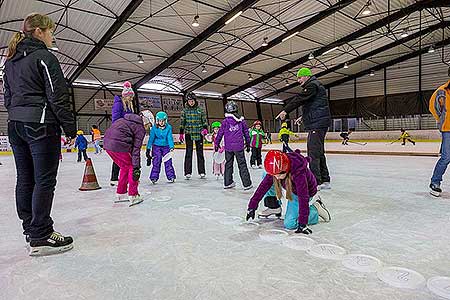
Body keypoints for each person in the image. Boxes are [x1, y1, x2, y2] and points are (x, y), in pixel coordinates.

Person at [3, 13, 76, 256]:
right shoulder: (45, 57)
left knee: (25, 179)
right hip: (40, 126)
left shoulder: (10, 61)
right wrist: (69, 128)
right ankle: (41, 233)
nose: (52, 36)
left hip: (15, 125)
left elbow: (8, 97)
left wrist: (17, 114)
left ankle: (31, 228)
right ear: (39, 32)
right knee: (44, 180)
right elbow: (57, 95)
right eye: (51, 31)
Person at [246, 150, 331, 233]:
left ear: (285, 168)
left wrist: (303, 223)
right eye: (274, 175)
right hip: (290, 186)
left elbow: (303, 198)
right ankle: (274, 207)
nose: (277, 177)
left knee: (290, 224)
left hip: (303, 193)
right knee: (266, 175)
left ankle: (315, 209)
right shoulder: (278, 171)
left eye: (279, 174)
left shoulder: (299, 174)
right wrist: (252, 207)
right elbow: (262, 188)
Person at [276, 67, 331, 190]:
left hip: (317, 124)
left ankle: (316, 181)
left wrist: (285, 110)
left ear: (306, 76)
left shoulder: (312, 86)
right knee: (319, 152)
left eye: (300, 77)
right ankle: (325, 180)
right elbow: (315, 105)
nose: (299, 80)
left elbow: (300, 99)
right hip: (319, 122)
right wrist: (303, 116)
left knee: (313, 153)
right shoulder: (316, 86)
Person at [103, 112, 148, 206]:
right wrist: (136, 167)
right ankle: (133, 194)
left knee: (124, 167)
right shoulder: (140, 128)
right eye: (149, 125)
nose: (147, 128)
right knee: (132, 167)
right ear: (146, 122)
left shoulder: (125, 119)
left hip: (107, 144)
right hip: (119, 146)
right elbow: (136, 149)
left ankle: (121, 193)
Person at [214, 101, 252, 190]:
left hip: (229, 148)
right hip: (239, 147)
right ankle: (247, 184)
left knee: (228, 164)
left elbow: (220, 133)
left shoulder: (225, 121)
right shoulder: (241, 121)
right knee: (242, 164)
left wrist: (216, 144)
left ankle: (228, 182)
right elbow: (246, 133)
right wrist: (248, 144)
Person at [429, 70, 450, 197]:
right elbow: (433, 107)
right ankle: (435, 183)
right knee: (446, 157)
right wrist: (441, 119)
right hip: (448, 128)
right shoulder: (442, 91)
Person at [110, 81, 135, 186]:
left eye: (131, 97)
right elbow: (115, 119)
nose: (131, 99)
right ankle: (114, 178)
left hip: (127, 133)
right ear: (125, 95)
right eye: (129, 96)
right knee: (119, 155)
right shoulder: (119, 103)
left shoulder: (129, 106)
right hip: (119, 133)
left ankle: (125, 177)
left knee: (125, 156)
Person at [179, 92, 208, 179]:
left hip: (199, 133)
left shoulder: (200, 110)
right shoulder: (184, 111)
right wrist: (181, 133)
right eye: (189, 101)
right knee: (188, 152)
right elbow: (182, 123)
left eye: (192, 101)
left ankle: (202, 171)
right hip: (188, 133)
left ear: (195, 101)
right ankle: (188, 172)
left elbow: (204, 121)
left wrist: (205, 128)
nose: (191, 102)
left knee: (200, 153)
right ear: (187, 101)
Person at [146, 111, 176, 184]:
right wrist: (148, 148)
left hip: (166, 147)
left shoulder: (168, 127)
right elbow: (151, 139)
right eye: (159, 121)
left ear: (165, 121)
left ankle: (171, 176)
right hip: (156, 147)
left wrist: (171, 146)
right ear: (157, 121)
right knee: (156, 161)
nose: (161, 122)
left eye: (163, 121)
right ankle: (154, 177)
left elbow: (169, 138)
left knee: (168, 162)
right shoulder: (154, 128)